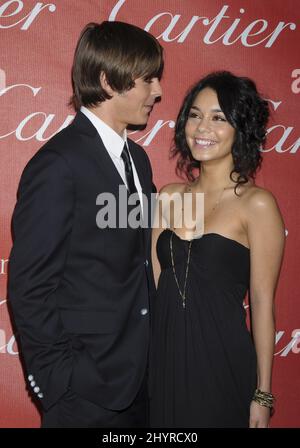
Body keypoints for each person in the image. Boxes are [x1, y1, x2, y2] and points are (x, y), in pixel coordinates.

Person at [8, 21, 163, 428]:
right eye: (148, 79)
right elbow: (30, 287)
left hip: (142, 386)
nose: (158, 91)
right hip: (86, 394)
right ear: (107, 80)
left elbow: (141, 259)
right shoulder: (59, 165)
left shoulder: (139, 160)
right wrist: (62, 379)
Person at [149, 71, 285, 428]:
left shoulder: (256, 205)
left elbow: (262, 303)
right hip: (164, 363)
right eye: (195, 115)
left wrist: (263, 394)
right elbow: (157, 282)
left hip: (222, 363)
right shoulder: (167, 197)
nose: (201, 128)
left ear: (242, 129)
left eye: (218, 118)